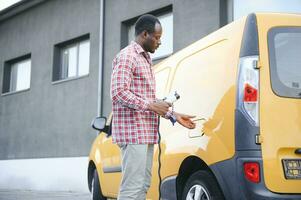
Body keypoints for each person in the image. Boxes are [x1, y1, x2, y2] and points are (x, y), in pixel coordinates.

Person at [110, 14, 196, 200]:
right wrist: (149, 104)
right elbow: (118, 92)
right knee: (132, 189)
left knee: (143, 186)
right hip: (133, 134)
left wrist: (175, 115)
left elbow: (148, 100)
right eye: (156, 38)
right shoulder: (127, 56)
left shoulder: (144, 58)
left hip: (145, 134)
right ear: (144, 34)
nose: (159, 42)